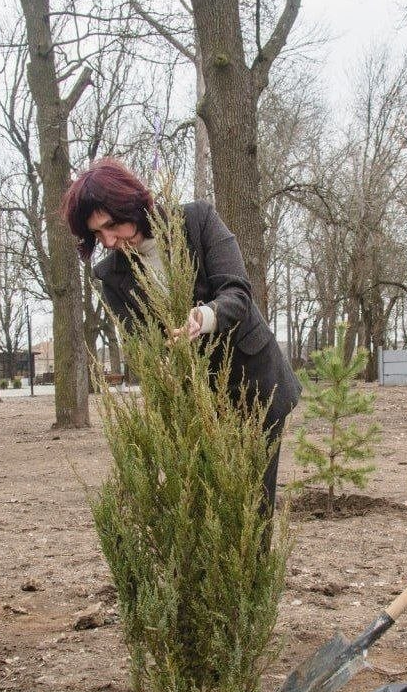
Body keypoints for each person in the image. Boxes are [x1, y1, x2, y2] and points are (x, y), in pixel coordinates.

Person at [62, 159, 301, 513]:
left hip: (253, 382)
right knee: (202, 509)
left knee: (252, 508)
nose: (109, 240)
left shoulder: (197, 221)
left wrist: (201, 318)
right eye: (97, 234)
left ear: (132, 205)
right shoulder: (110, 275)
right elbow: (140, 343)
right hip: (194, 398)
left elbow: (237, 293)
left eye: (112, 225)